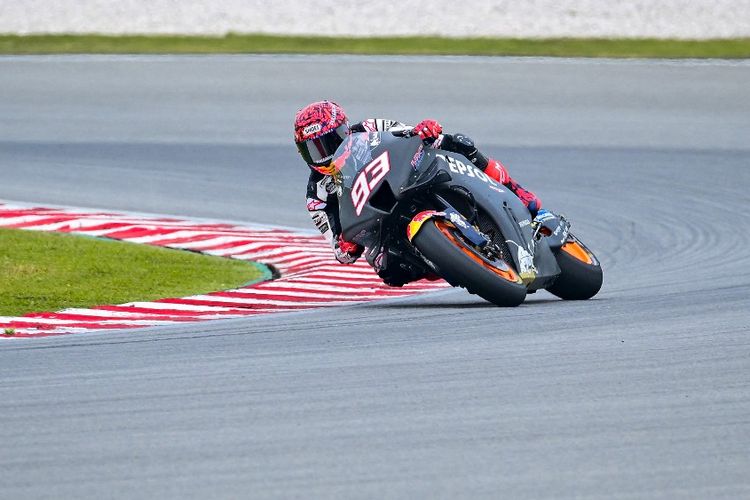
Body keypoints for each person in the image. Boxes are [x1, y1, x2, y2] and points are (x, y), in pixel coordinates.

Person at [294, 100, 543, 269]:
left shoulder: (369, 128)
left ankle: (516, 191)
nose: (326, 154)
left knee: (458, 142)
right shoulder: (316, 196)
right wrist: (347, 246)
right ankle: (448, 260)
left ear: (345, 130)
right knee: (386, 267)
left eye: (330, 142)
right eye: (314, 150)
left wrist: (425, 131)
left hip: (407, 178)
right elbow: (339, 251)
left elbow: (410, 135)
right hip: (380, 226)